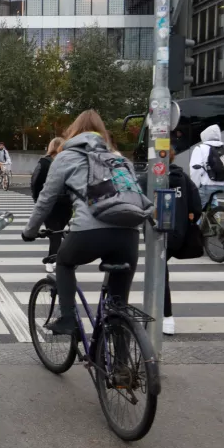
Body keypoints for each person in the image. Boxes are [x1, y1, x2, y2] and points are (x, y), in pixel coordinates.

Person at [22, 110, 140, 335]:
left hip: (89, 230)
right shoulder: (119, 157)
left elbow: (47, 198)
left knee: (64, 263)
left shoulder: (66, 156)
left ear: (73, 132)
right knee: (118, 305)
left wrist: (30, 231)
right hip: (128, 233)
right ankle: (121, 365)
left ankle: (68, 319)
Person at [138, 151, 203, 336]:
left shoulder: (148, 179)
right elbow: (196, 207)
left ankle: (165, 317)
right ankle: (164, 318)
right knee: (160, 272)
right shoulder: (183, 178)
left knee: (157, 275)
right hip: (179, 234)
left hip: (156, 233)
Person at [30, 137, 71, 273]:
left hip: (57, 205)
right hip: (60, 204)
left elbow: (35, 183)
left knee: (56, 233)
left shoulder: (48, 162)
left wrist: (38, 200)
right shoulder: (60, 163)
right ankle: (53, 260)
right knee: (56, 233)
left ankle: (53, 259)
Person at [189, 124, 224, 208]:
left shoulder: (200, 148)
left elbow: (195, 169)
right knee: (212, 198)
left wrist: (194, 187)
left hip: (208, 185)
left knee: (198, 208)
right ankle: (215, 217)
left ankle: (199, 220)